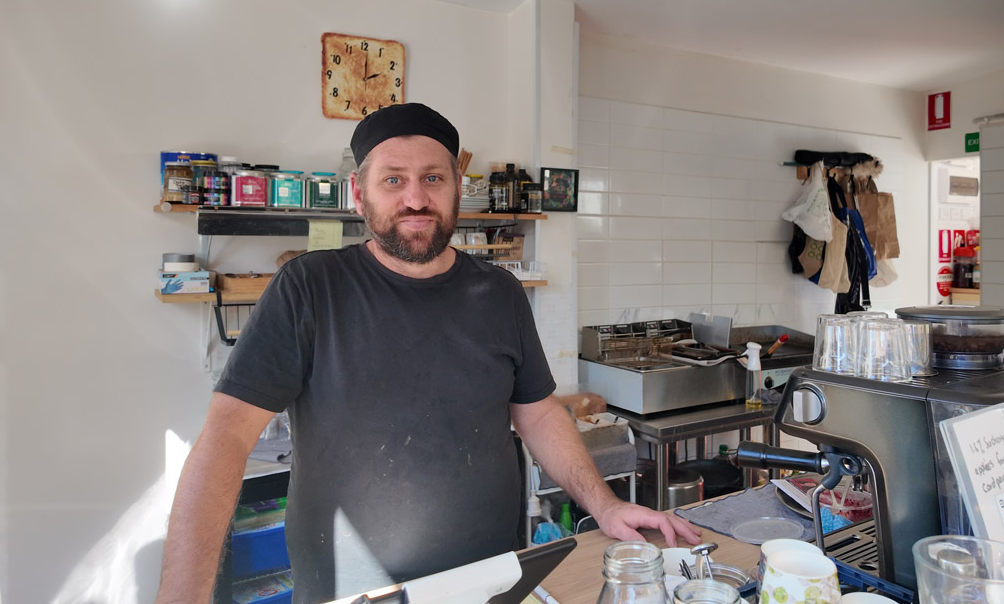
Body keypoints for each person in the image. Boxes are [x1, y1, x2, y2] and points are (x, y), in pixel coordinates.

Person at [155, 103, 700, 604]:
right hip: (352, 592)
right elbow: (225, 440)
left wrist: (604, 504)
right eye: (393, 179)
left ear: (457, 188)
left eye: (433, 178)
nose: (415, 199)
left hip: (490, 580)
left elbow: (537, 413)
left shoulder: (500, 293)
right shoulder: (309, 287)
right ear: (359, 193)